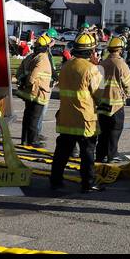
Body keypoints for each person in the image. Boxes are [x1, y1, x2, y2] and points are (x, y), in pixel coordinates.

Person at [51, 32, 103, 193]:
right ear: (91, 51)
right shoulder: (91, 69)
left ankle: (55, 180)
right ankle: (88, 183)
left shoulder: (66, 66)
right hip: (84, 120)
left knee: (62, 152)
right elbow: (99, 94)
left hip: (66, 118)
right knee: (87, 153)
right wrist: (97, 67)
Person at [95, 35, 130, 163]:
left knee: (102, 132)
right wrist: (126, 95)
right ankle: (112, 155)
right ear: (120, 50)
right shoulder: (121, 64)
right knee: (115, 130)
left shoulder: (102, 63)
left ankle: (100, 155)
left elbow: (98, 85)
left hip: (102, 104)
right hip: (116, 105)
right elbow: (129, 85)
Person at [16, 33, 55, 147]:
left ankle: (25, 140)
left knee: (27, 116)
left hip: (28, 92)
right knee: (34, 117)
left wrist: (23, 83)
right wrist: (29, 83)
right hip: (38, 92)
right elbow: (33, 76)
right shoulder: (43, 58)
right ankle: (33, 141)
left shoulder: (30, 56)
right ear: (47, 47)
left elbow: (19, 72)